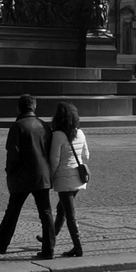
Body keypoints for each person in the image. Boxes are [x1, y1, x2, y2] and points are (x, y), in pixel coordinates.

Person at [0, 94, 55, 258]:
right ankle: (49, 249)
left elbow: (12, 154)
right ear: (34, 107)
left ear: (19, 108)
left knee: (13, 211)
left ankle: (1, 244)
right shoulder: (44, 126)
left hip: (22, 176)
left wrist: (10, 171)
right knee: (46, 212)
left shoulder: (18, 126)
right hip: (42, 175)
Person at [46, 102, 91, 258]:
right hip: (78, 179)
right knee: (62, 208)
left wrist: (50, 178)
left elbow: (54, 160)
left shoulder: (57, 135)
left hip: (64, 178)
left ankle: (77, 247)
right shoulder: (80, 133)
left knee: (69, 213)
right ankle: (52, 235)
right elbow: (86, 156)